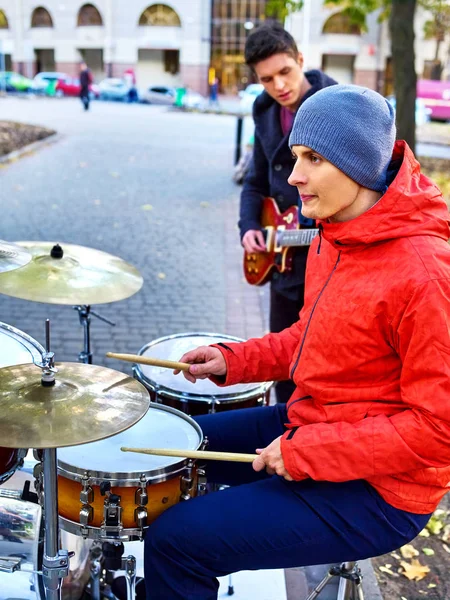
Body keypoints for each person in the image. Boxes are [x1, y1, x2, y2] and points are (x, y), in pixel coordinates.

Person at [140, 85, 450, 600]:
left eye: (313, 159)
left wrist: (310, 453)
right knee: (176, 448)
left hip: (384, 492)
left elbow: (438, 431)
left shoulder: (426, 275)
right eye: (294, 157)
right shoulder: (336, 230)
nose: (293, 176)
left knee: (175, 543)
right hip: (316, 419)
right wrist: (232, 360)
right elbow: (312, 337)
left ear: (358, 165)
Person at [240, 23, 337, 403]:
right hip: (281, 264)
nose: (279, 86)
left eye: (285, 72)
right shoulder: (264, 110)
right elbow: (255, 181)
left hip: (326, 260)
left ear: (301, 60)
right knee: (283, 361)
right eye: (267, 79)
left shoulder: (336, 103)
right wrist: (249, 226)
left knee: (322, 366)